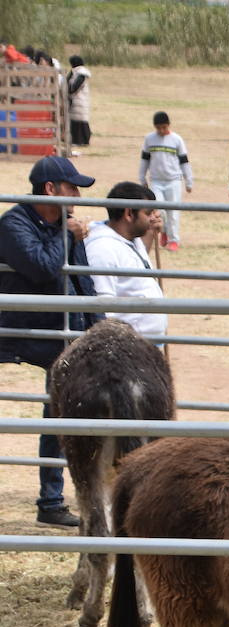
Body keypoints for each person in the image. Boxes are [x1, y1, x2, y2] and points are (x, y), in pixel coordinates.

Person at [0, 156, 101, 528]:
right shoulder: (14, 223)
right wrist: (67, 235)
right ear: (50, 189)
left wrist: (97, 329)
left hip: (57, 331)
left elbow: (82, 280)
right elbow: (41, 268)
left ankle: (51, 501)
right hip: (15, 330)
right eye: (71, 187)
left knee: (59, 412)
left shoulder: (64, 225)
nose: (76, 195)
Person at [84, 181, 167, 340]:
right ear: (129, 214)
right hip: (128, 350)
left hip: (144, 344)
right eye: (148, 213)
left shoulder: (129, 237)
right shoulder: (103, 249)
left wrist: (151, 232)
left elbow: (137, 264)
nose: (153, 218)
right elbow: (104, 309)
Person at [139, 111, 193, 252]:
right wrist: (142, 177)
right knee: (159, 210)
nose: (162, 131)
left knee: (173, 212)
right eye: (158, 128)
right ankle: (164, 230)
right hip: (156, 181)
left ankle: (173, 240)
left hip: (173, 181)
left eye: (164, 127)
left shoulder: (176, 140)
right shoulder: (149, 139)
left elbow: (184, 161)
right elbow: (145, 159)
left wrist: (189, 181)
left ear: (169, 125)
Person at [65, 55, 91, 150]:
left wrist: (68, 90)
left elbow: (74, 87)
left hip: (79, 99)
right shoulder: (76, 72)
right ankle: (78, 140)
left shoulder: (81, 74)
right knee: (77, 120)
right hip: (76, 99)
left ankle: (82, 140)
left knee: (80, 120)